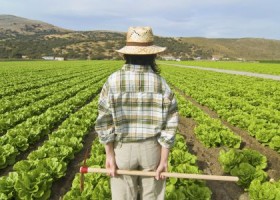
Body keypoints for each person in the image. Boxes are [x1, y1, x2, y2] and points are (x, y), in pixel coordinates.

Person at [95, 26, 178, 200]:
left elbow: (104, 121)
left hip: (123, 149)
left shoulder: (113, 80)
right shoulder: (161, 84)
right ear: (153, 54)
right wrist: (163, 160)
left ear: (125, 54)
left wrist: (109, 155)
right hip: (152, 149)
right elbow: (171, 123)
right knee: (152, 196)